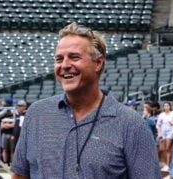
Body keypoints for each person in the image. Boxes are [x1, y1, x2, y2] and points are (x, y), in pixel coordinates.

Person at [11, 22, 161, 178]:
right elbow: (19, 175)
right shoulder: (37, 114)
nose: (65, 65)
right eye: (59, 59)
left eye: (74, 57)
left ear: (98, 63)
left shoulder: (131, 124)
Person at [157, 101, 173, 172]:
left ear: (170, 106)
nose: (166, 107)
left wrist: (171, 123)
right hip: (163, 133)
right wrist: (159, 134)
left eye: (167, 105)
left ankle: (168, 165)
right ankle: (165, 164)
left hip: (170, 132)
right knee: (163, 149)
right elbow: (158, 125)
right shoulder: (161, 115)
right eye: (165, 106)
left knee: (168, 148)